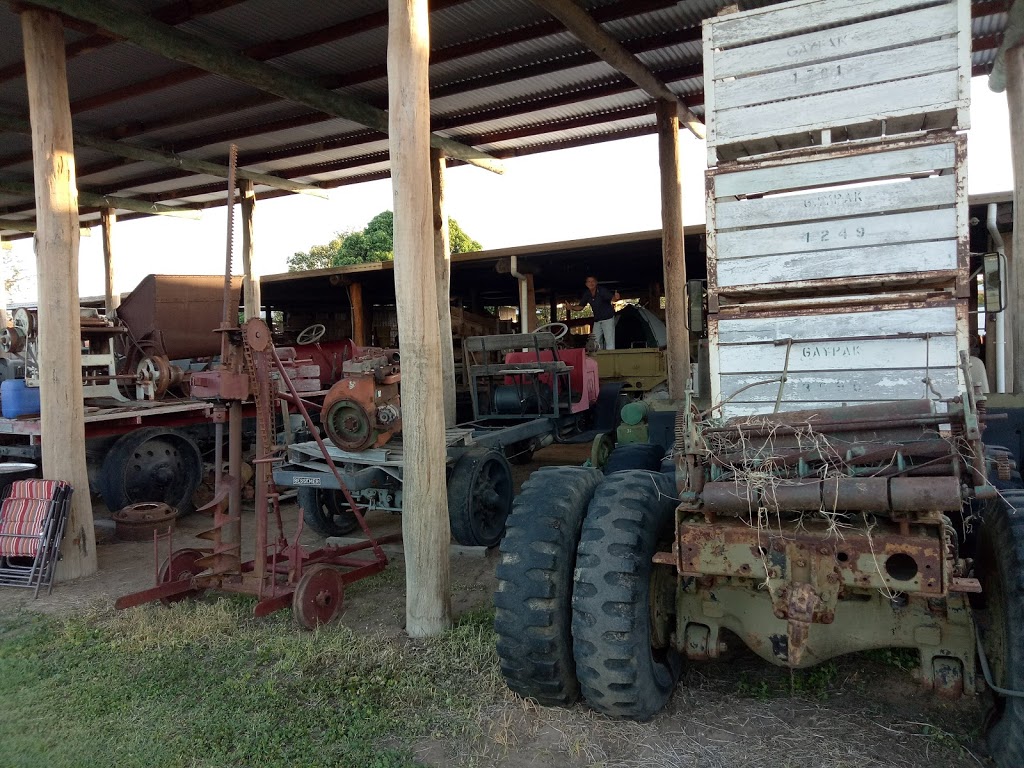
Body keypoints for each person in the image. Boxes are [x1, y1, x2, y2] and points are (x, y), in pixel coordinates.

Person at [571, 275, 620, 350]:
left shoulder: (602, 291)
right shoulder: (587, 294)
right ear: (586, 284)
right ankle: (598, 359)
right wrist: (571, 307)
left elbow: (612, 298)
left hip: (608, 319)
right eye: (589, 282)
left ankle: (610, 359)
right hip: (597, 320)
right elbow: (581, 307)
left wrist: (616, 298)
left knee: (609, 341)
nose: (591, 283)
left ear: (596, 283)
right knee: (595, 341)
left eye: (593, 281)